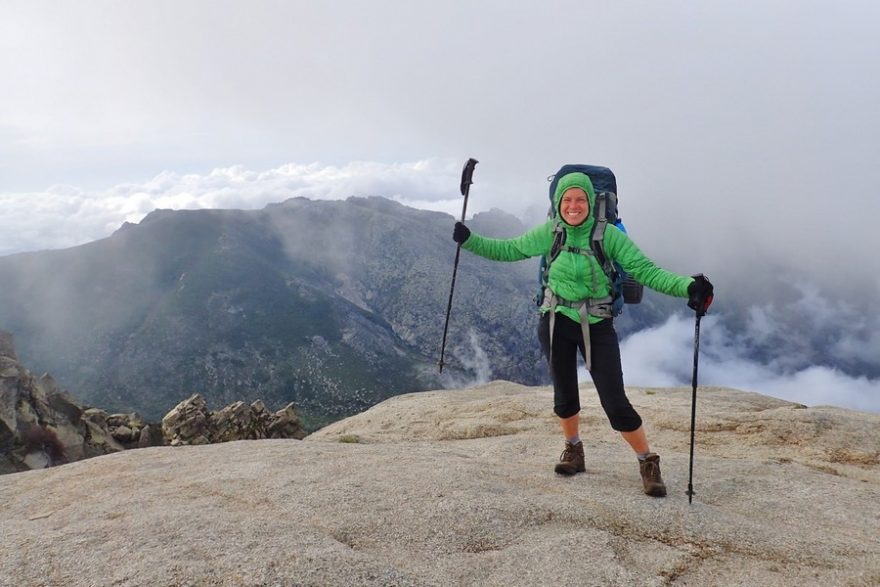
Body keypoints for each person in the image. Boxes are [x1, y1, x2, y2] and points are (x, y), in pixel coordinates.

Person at [452, 171, 713, 497]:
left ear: (591, 202)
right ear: (558, 203)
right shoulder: (552, 232)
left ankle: (647, 460)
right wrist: (470, 240)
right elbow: (510, 249)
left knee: (615, 403)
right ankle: (573, 449)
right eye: (567, 199)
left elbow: (645, 271)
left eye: (580, 199)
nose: (573, 206)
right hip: (555, 321)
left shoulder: (610, 236)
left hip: (597, 324)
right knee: (564, 396)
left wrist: (688, 286)